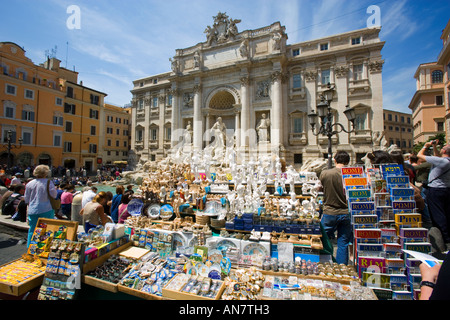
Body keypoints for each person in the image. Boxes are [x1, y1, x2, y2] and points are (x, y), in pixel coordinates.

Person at [319, 150, 352, 265]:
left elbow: (319, 188)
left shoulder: (326, 174)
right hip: (347, 212)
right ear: (348, 161)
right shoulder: (352, 174)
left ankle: (324, 264)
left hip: (330, 212)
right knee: (343, 243)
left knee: (322, 239)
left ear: (335, 160)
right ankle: (341, 268)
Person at [417, 140, 450, 252]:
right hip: (446, 189)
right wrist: (435, 147)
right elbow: (437, 156)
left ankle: (445, 240)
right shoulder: (445, 161)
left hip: (436, 190)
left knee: (438, 215)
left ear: (444, 151)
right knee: (445, 213)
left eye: (443, 147)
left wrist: (425, 146)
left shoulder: (442, 162)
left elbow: (420, 156)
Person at [24, 165, 57, 247]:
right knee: (47, 229)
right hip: (46, 209)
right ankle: (44, 248)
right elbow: (54, 195)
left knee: (32, 229)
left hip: (32, 209)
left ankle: (30, 248)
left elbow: (26, 199)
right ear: (46, 173)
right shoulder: (48, 182)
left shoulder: (29, 184)